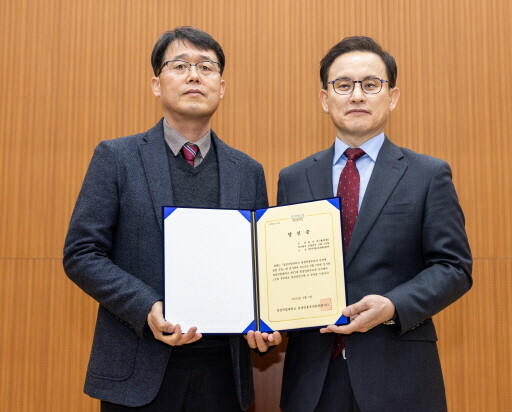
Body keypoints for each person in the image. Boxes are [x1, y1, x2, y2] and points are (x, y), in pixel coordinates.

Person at [63, 26, 280, 411]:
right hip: (137, 369)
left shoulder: (248, 170)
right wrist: (146, 306)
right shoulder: (117, 158)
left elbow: (258, 267)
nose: (194, 75)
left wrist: (265, 317)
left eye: (206, 67)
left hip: (222, 375)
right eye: (179, 65)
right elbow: (82, 253)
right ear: (156, 84)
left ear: (222, 86)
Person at [277, 36, 472, 412]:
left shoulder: (428, 174)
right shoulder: (294, 178)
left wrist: (393, 305)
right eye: (343, 85)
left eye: (370, 85)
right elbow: (283, 273)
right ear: (324, 98)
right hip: (314, 379)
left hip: (399, 375)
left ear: (392, 96)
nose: (356, 96)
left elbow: (454, 268)